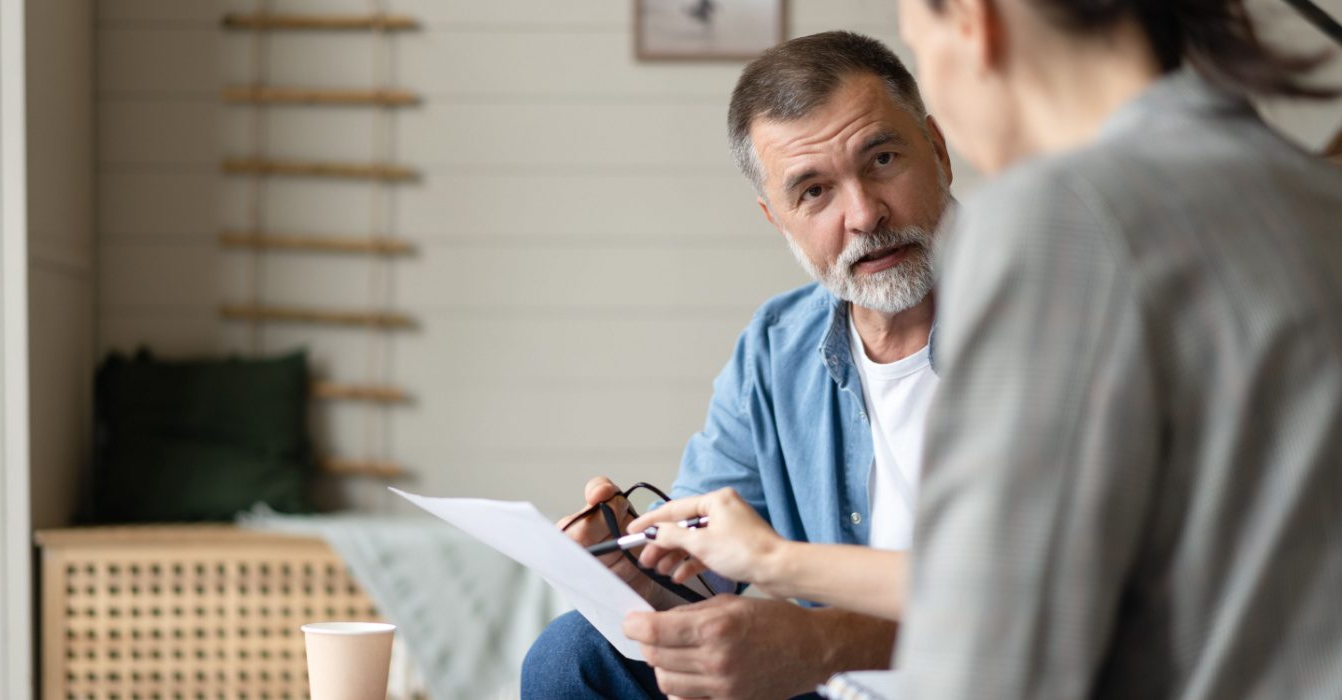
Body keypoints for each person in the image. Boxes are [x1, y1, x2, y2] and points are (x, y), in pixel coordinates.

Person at [888, 0, 1341, 697]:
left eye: (917, 46)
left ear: (976, 24)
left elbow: (989, 669)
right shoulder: (1314, 197)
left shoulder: (1057, 218)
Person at [520, 31, 954, 699]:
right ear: (775, 218)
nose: (864, 214)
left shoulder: (1044, 313)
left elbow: (1047, 596)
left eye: (884, 158)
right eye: (813, 192)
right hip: (833, 685)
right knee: (573, 656)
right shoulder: (778, 346)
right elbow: (703, 568)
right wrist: (632, 577)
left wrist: (820, 642)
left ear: (939, 152)